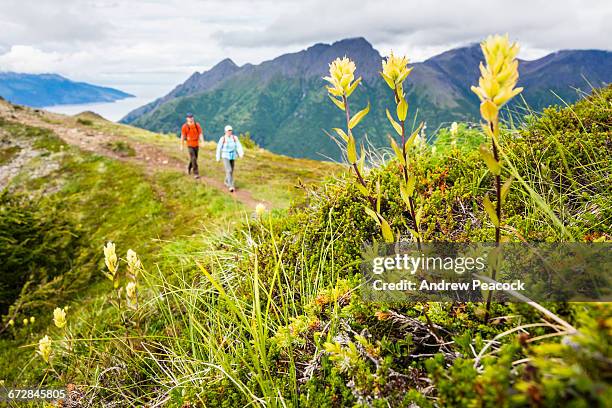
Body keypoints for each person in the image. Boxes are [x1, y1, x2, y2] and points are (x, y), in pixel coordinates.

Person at [215, 125, 244, 192]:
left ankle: (226, 181)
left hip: (233, 156)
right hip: (225, 156)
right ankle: (231, 186)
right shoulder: (222, 139)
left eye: (230, 130)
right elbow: (219, 148)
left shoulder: (234, 138)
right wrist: (218, 157)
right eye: (228, 131)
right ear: (225, 131)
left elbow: (238, 146)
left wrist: (241, 153)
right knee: (229, 170)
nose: (229, 132)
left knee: (231, 170)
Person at [180, 113, 204, 179]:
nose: (190, 118)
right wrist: (181, 145)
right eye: (189, 117)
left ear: (193, 118)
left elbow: (200, 134)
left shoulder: (197, 125)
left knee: (194, 159)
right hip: (189, 145)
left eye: (191, 117)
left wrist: (202, 142)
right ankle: (196, 173)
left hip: (196, 144)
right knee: (193, 158)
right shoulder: (185, 126)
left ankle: (188, 168)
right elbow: (182, 136)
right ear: (187, 119)